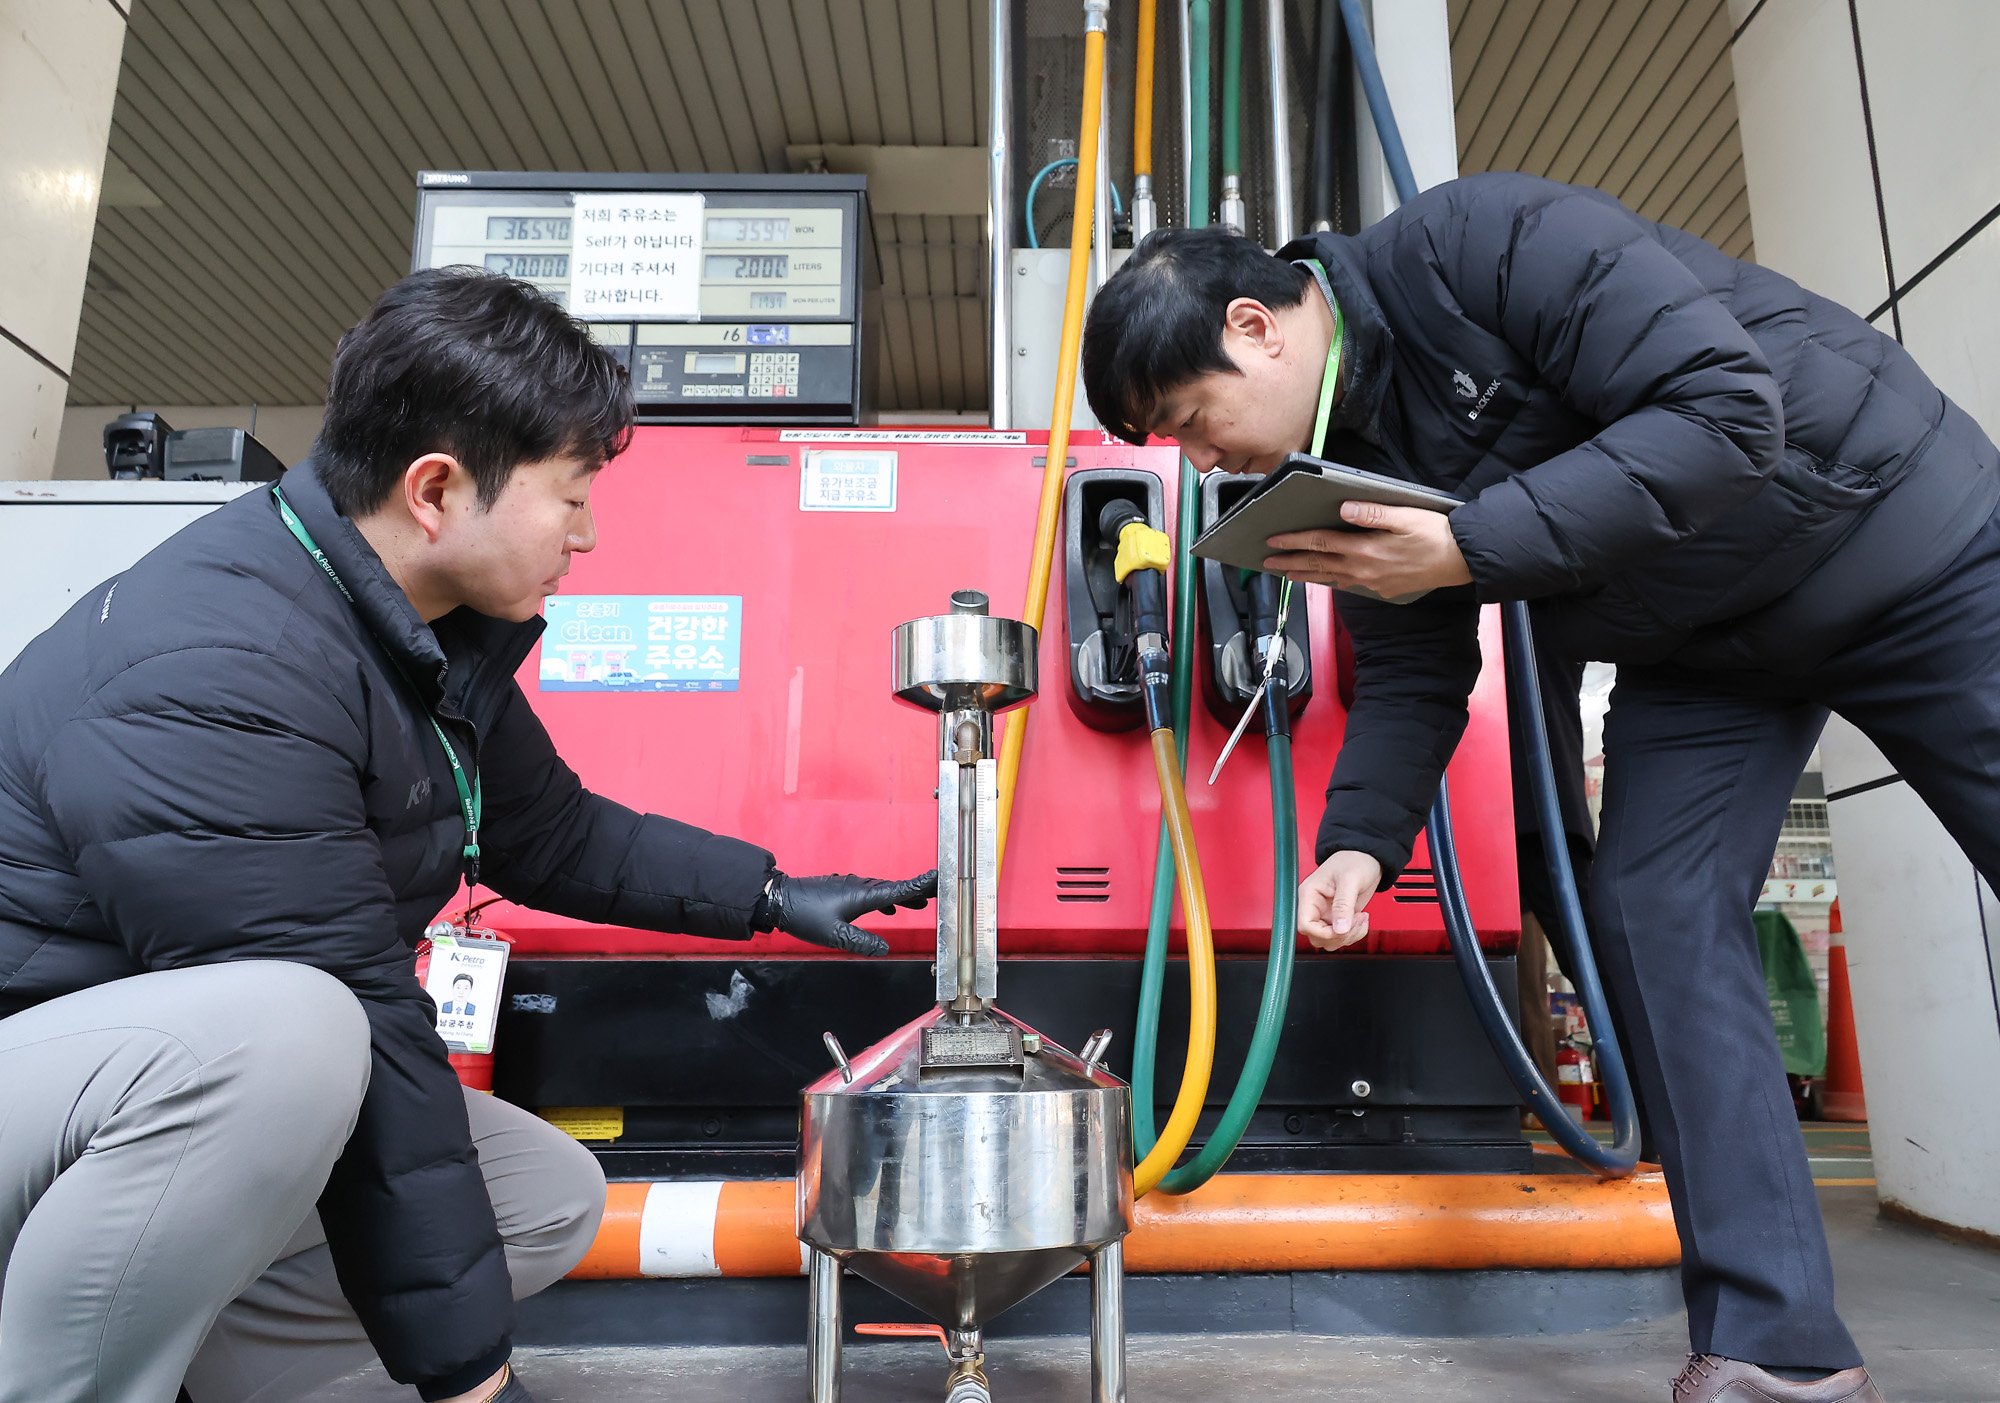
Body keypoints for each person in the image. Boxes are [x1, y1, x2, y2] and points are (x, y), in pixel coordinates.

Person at [1081, 172, 2000, 1402]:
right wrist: (1355, 844)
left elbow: (1726, 413)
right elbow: (1411, 664)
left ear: (1255, 323)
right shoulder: (1330, 465)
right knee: (1650, 911)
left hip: (1897, 538)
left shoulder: (1480, 242)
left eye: (1193, 418)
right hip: (1706, 645)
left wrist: (1462, 543)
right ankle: (1777, 1351)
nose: (1201, 458)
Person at [0, 268, 935, 1403]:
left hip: (109, 1103)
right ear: (435, 489)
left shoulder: (401, 633)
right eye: (571, 495)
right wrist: (476, 1380)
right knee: (292, 1031)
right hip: (42, 1088)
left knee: (542, 1188)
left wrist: (773, 894)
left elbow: (555, 832)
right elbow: (368, 1028)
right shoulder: (224, 668)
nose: (586, 535)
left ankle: (187, 1367)